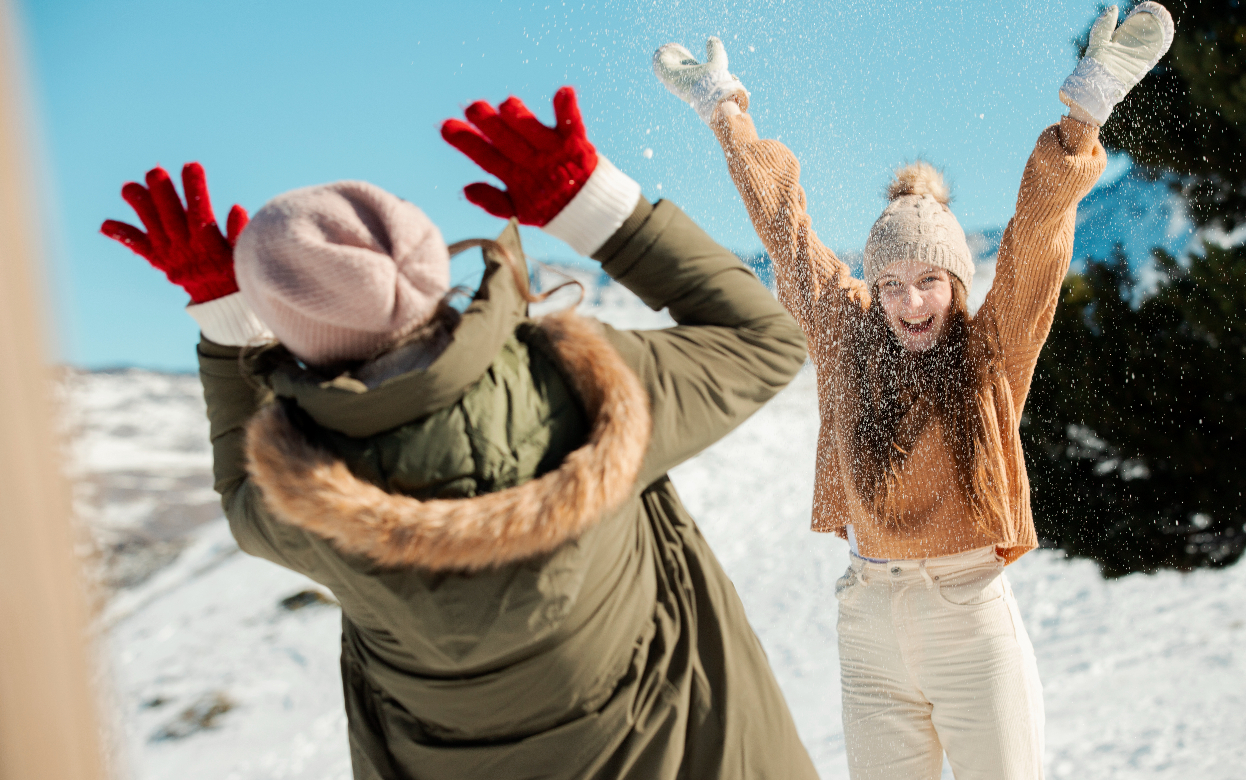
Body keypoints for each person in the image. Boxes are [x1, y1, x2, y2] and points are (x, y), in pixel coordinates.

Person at [101, 87, 819, 780]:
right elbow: (765, 341)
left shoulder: (307, 504)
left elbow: (241, 494)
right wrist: (592, 205)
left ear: (292, 332)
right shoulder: (581, 386)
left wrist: (227, 317)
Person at [653, 4, 1173, 779]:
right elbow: (786, 225)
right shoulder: (845, 331)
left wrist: (1088, 110)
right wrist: (725, 110)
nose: (908, 302)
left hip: (972, 624)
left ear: (957, 285)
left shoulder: (991, 351)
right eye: (890, 283)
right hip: (869, 630)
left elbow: (1036, 232)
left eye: (928, 281)